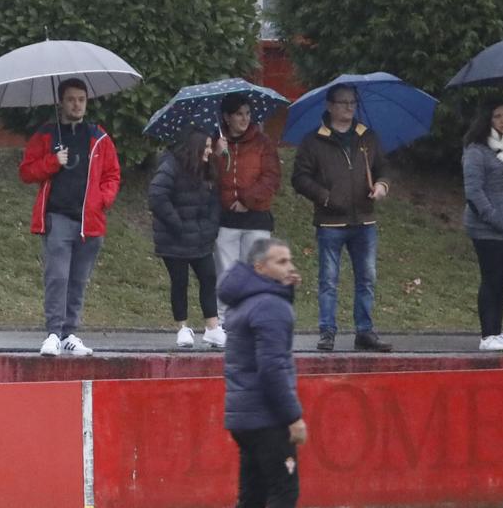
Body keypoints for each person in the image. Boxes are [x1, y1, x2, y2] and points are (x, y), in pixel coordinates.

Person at [219, 238, 322, 508]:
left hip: (242, 415)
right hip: (267, 417)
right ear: (259, 268)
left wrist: (285, 293)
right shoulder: (270, 307)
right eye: (281, 261)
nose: (290, 267)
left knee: (250, 498)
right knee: (283, 491)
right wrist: (294, 416)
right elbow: (273, 368)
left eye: (290, 259)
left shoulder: (243, 303)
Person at [17, 79, 118, 357]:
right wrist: (52, 161)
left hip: (90, 221)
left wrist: (102, 200)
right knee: (57, 277)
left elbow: (112, 174)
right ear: (61, 102)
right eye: (71, 99)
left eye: (81, 99)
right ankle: (53, 332)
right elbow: (26, 172)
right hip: (58, 217)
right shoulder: (47, 136)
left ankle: (70, 333)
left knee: (78, 280)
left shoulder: (99, 137)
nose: (77, 104)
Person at [291, 84, 394, 352]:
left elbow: (383, 167)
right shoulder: (313, 140)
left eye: (353, 102)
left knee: (367, 278)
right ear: (330, 105)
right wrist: (325, 196)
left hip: (365, 219)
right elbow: (299, 178)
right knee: (328, 280)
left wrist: (382, 185)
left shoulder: (367, 137)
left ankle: (365, 331)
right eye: (343, 102)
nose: (350, 107)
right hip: (330, 221)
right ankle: (327, 331)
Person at [213, 93, 282, 348]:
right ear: (227, 117)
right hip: (226, 219)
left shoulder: (263, 143)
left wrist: (247, 200)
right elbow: (210, 178)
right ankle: (223, 324)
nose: (244, 119)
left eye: (247, 114)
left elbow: (271, 178)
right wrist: (217, 155)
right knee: (227, 273)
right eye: (239, 114)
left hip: (256, 218)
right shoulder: (217, 142)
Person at [461, 99, 503, 352]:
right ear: (486, 121)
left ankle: (497, 330)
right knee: (490, 278)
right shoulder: (476, 151)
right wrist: (495, 218)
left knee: (502, 279)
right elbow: (474, 192)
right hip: (487, 228)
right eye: (497, 116)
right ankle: (487, 334)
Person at [150, 130, 225, 349]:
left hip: (200, 236)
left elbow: (213, 202)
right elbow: (157, 195)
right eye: (207, 146)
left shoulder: (206, 169)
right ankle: (182, 327)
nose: (210, 151)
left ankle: (212, 327)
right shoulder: (171, 166)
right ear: (196, 147)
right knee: (179, 281)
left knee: (208, 276)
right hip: (174, 238)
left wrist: (209, 228)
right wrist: (177, 224)